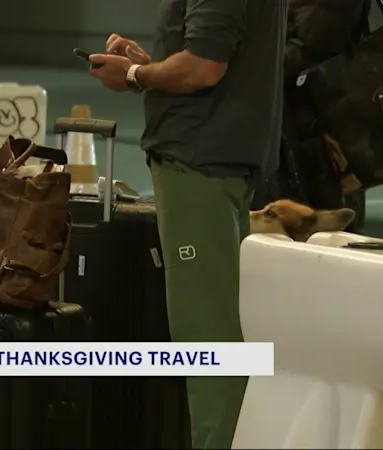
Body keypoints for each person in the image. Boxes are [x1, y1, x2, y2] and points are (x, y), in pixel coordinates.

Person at [87, 1, 287, 448]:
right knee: (227, 333)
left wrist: (135, 76)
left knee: (208, 339)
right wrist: (150, 67)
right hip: (226, 159)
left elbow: (204, 68)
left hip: (197, 162)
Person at [253, 0, 370, 232]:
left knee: (320, 231)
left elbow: (315, 45)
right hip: (292, 119)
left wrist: (250, 69)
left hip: (318, 127)